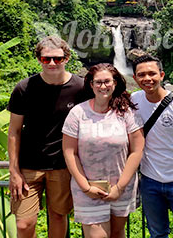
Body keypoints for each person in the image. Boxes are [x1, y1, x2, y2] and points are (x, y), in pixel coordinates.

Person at [7, 36, 88, 238]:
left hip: (62, 165)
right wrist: (14, 171)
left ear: (67, 58)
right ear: (39, 60)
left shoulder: (80, 88)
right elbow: (14, 131)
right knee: (24, 224)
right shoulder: (24, 88)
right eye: (46, 59)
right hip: (28, 167)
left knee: (59, 217)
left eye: (57, 59)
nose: (52, 63)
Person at [62, 63, 144, 238]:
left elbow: (136, 151)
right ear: (91, 85)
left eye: (107, 81)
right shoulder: (77, 113)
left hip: (121, 187)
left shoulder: (126, 112)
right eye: (98, 82)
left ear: (115, 83)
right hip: (88, 188)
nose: (103, 86)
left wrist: (119, 187)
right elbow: (70, 152)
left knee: (117, 233)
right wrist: (86, 187)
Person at [131, 54, 173, 238]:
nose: (147, 79)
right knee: (158, 234)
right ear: (135, 78)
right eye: (141, 75)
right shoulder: (134, 100)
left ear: (161, 75)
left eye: (152, 74)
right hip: (149, 182)